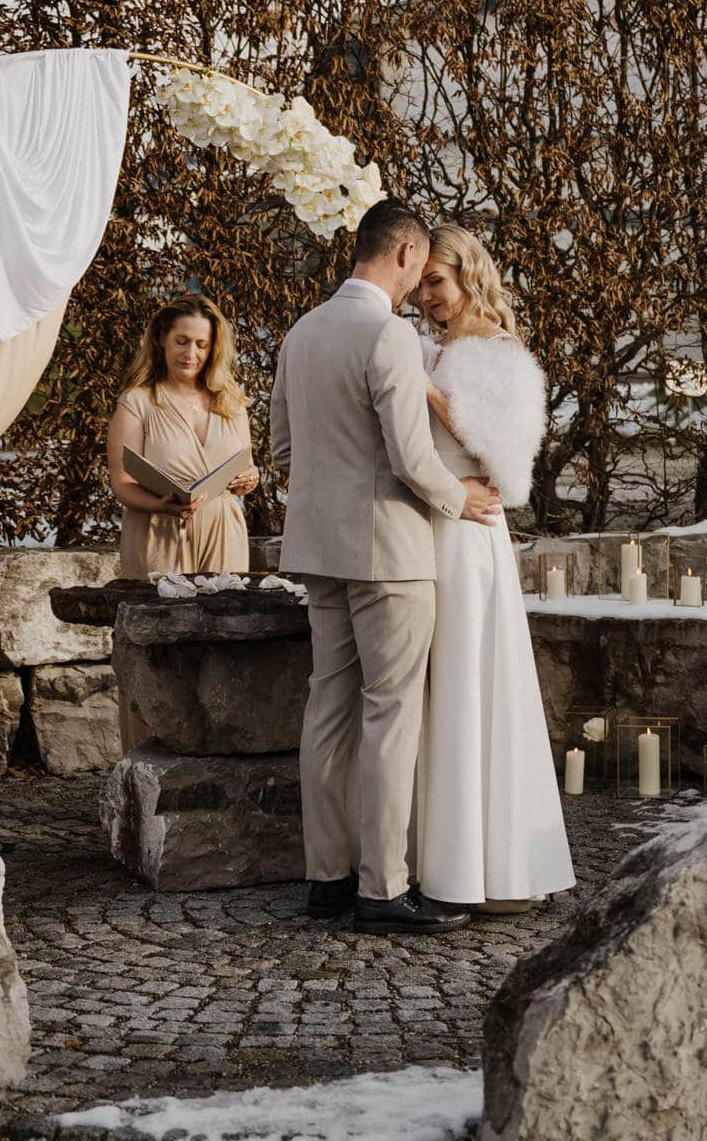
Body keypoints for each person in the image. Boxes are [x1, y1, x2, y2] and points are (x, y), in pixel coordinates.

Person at [270, 199, 503, 935]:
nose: (417, 288)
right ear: (405, 253)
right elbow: (410, 457)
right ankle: (381, 887)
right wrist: (456, 497)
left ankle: (324, 879)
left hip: (317, 549)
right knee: (390, 714)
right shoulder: (389, 337)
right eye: (419, 268)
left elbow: (282, 450)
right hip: (391, 554)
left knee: (327, 709)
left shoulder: (301, 332)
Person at [411, 224, 575, 911]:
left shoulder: (502, 353)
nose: (427, 298)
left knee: (472, 681)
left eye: (437, 284)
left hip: (472, 530)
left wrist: (424, 390)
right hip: (423, 524)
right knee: (432, 690)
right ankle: (439, 859)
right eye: (419, 284)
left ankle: (493, 868)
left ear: (468, 274)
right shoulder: (426, 346)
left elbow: (506, 466)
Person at [107, 295, 261, 579]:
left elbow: (245, 467)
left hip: (224, 529)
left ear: (214, 348)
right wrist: (159, 505)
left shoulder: (231, 401)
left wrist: (250, 478)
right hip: (159, 529)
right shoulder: (137, 402)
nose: (191, 354)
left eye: (201, 345)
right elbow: (122, 481)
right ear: (162, 338)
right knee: (160, 619)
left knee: (225, 618)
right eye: (182, 341)